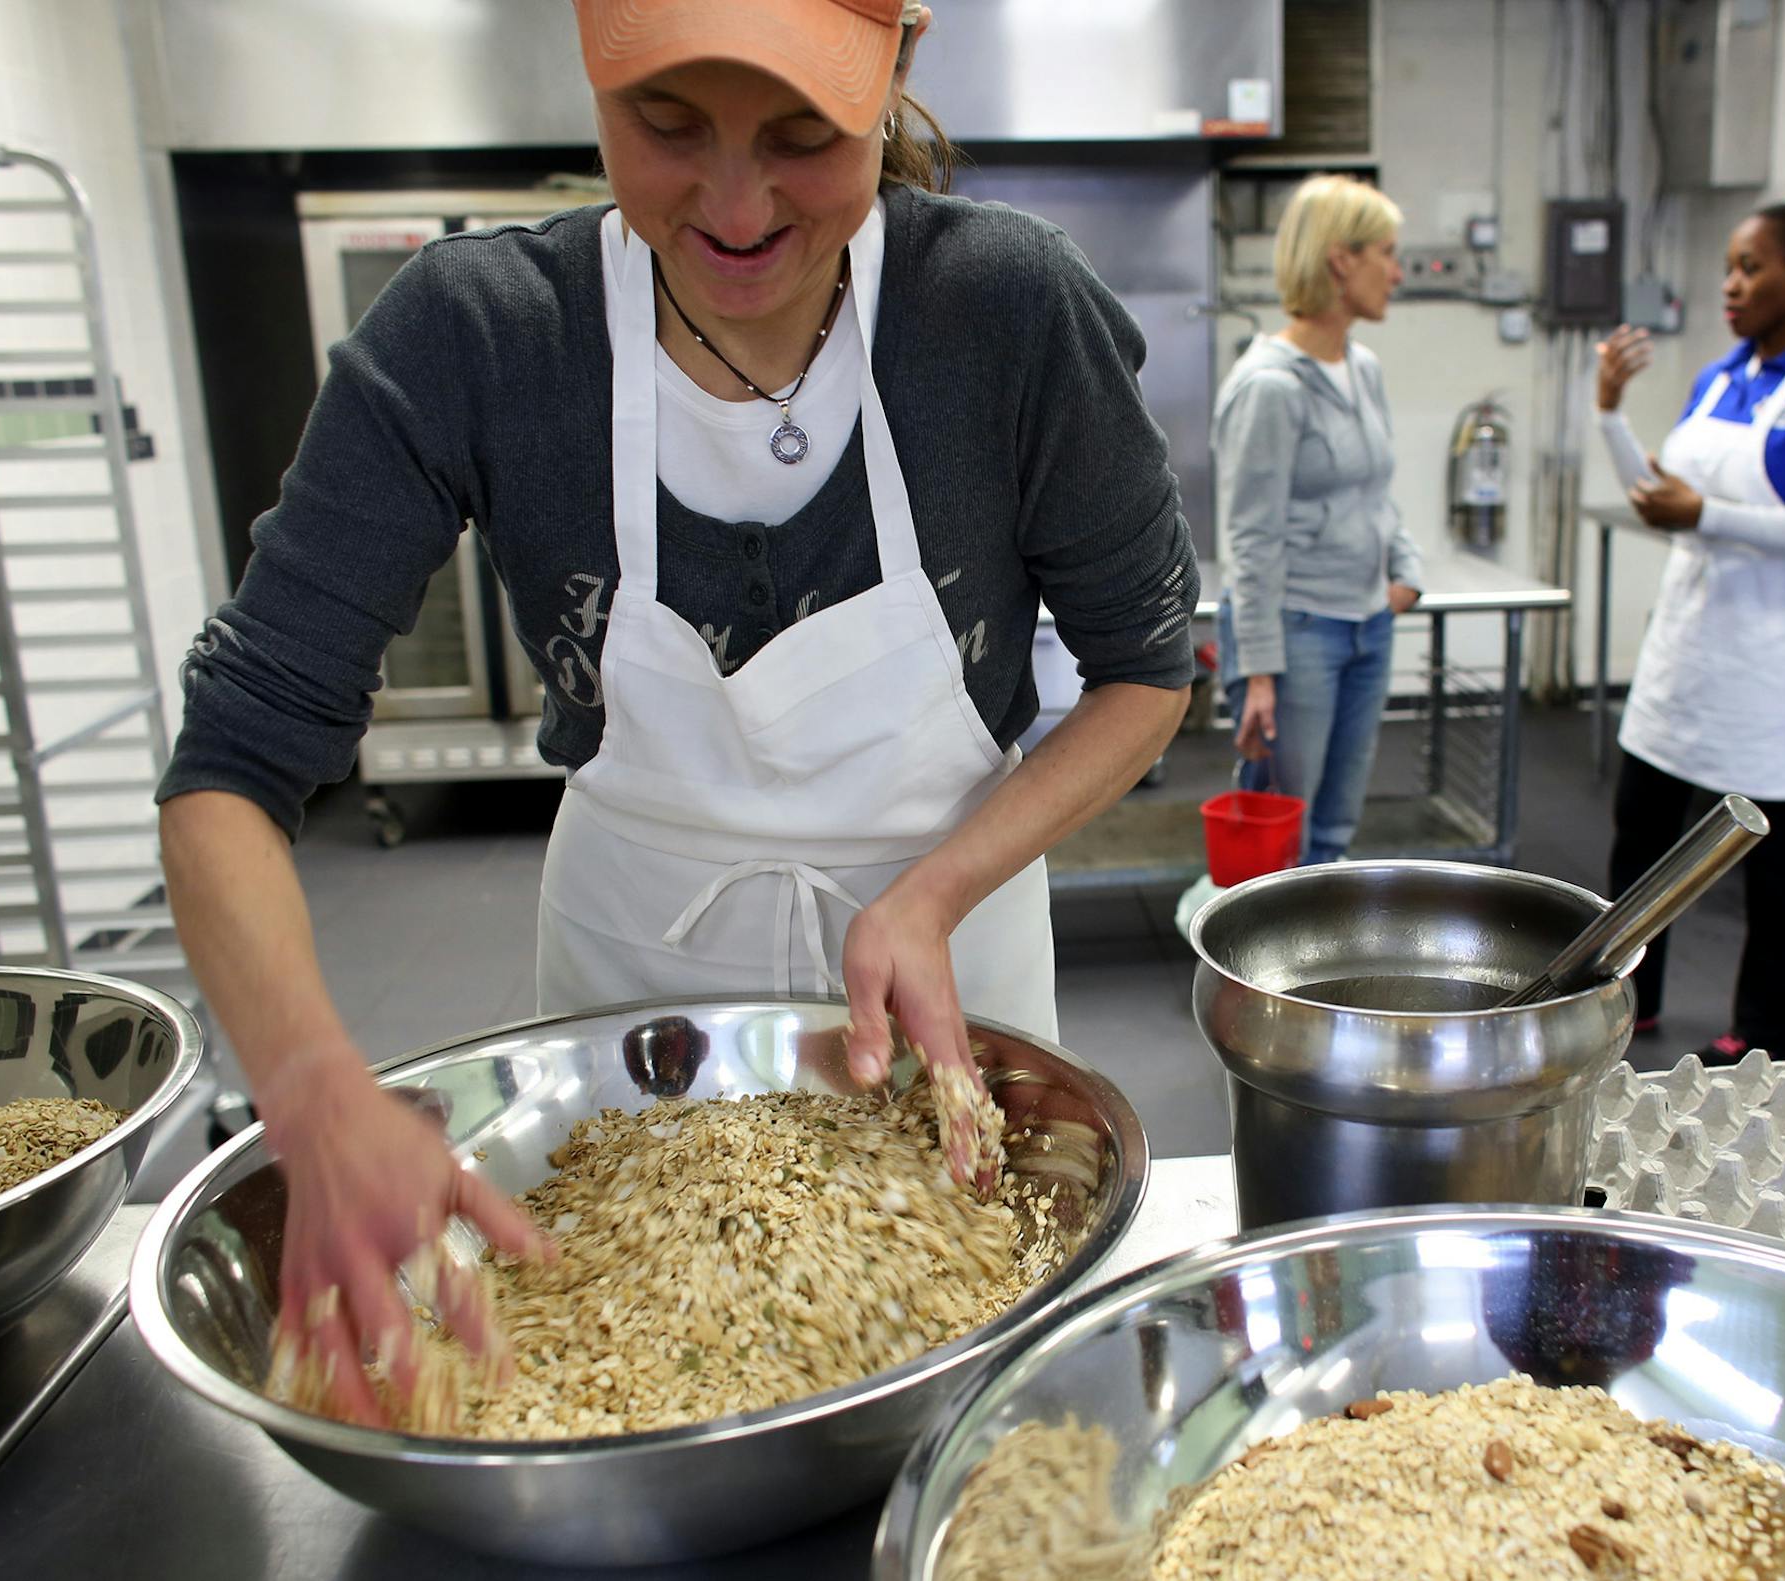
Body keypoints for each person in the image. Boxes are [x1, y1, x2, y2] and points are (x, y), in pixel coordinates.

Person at [155, 0, 1196, 1418]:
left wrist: (931, 893)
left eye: (801, 137)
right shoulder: (485, 340)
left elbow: (1147, 669)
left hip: (949, 981)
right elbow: (230, 760)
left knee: (961, 1396)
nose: (735, 203)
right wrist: (309, 1089)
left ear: (895, 71)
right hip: (635, 1012)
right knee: (635, 1392)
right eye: (668, 128)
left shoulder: (1002, 314)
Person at [1595, 196, 1785, 1062]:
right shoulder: (1725, 373)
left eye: (1751, 267)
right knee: (1642, 830)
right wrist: (1611, 411)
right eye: (1729, 267)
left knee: (1774, 858)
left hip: (1772, 659)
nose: (1731, 285)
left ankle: (1769, 1030)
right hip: (1691, 642)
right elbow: (1661, 501)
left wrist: (1706, 512)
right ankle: (1626, 996)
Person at [1211, 175, 1424, 867]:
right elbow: (1250, 539)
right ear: (1340, 259)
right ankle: (1260, 976)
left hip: (1368, 625)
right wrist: (1261, 672)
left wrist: (1405, 569)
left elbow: (1377, 491)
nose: (1397, 272)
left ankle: (1313, 977)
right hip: (1299, 633)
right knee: (1284, 840)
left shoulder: (1364, 369)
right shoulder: (1269, 386)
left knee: (1334, 831)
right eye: (1386, 253)